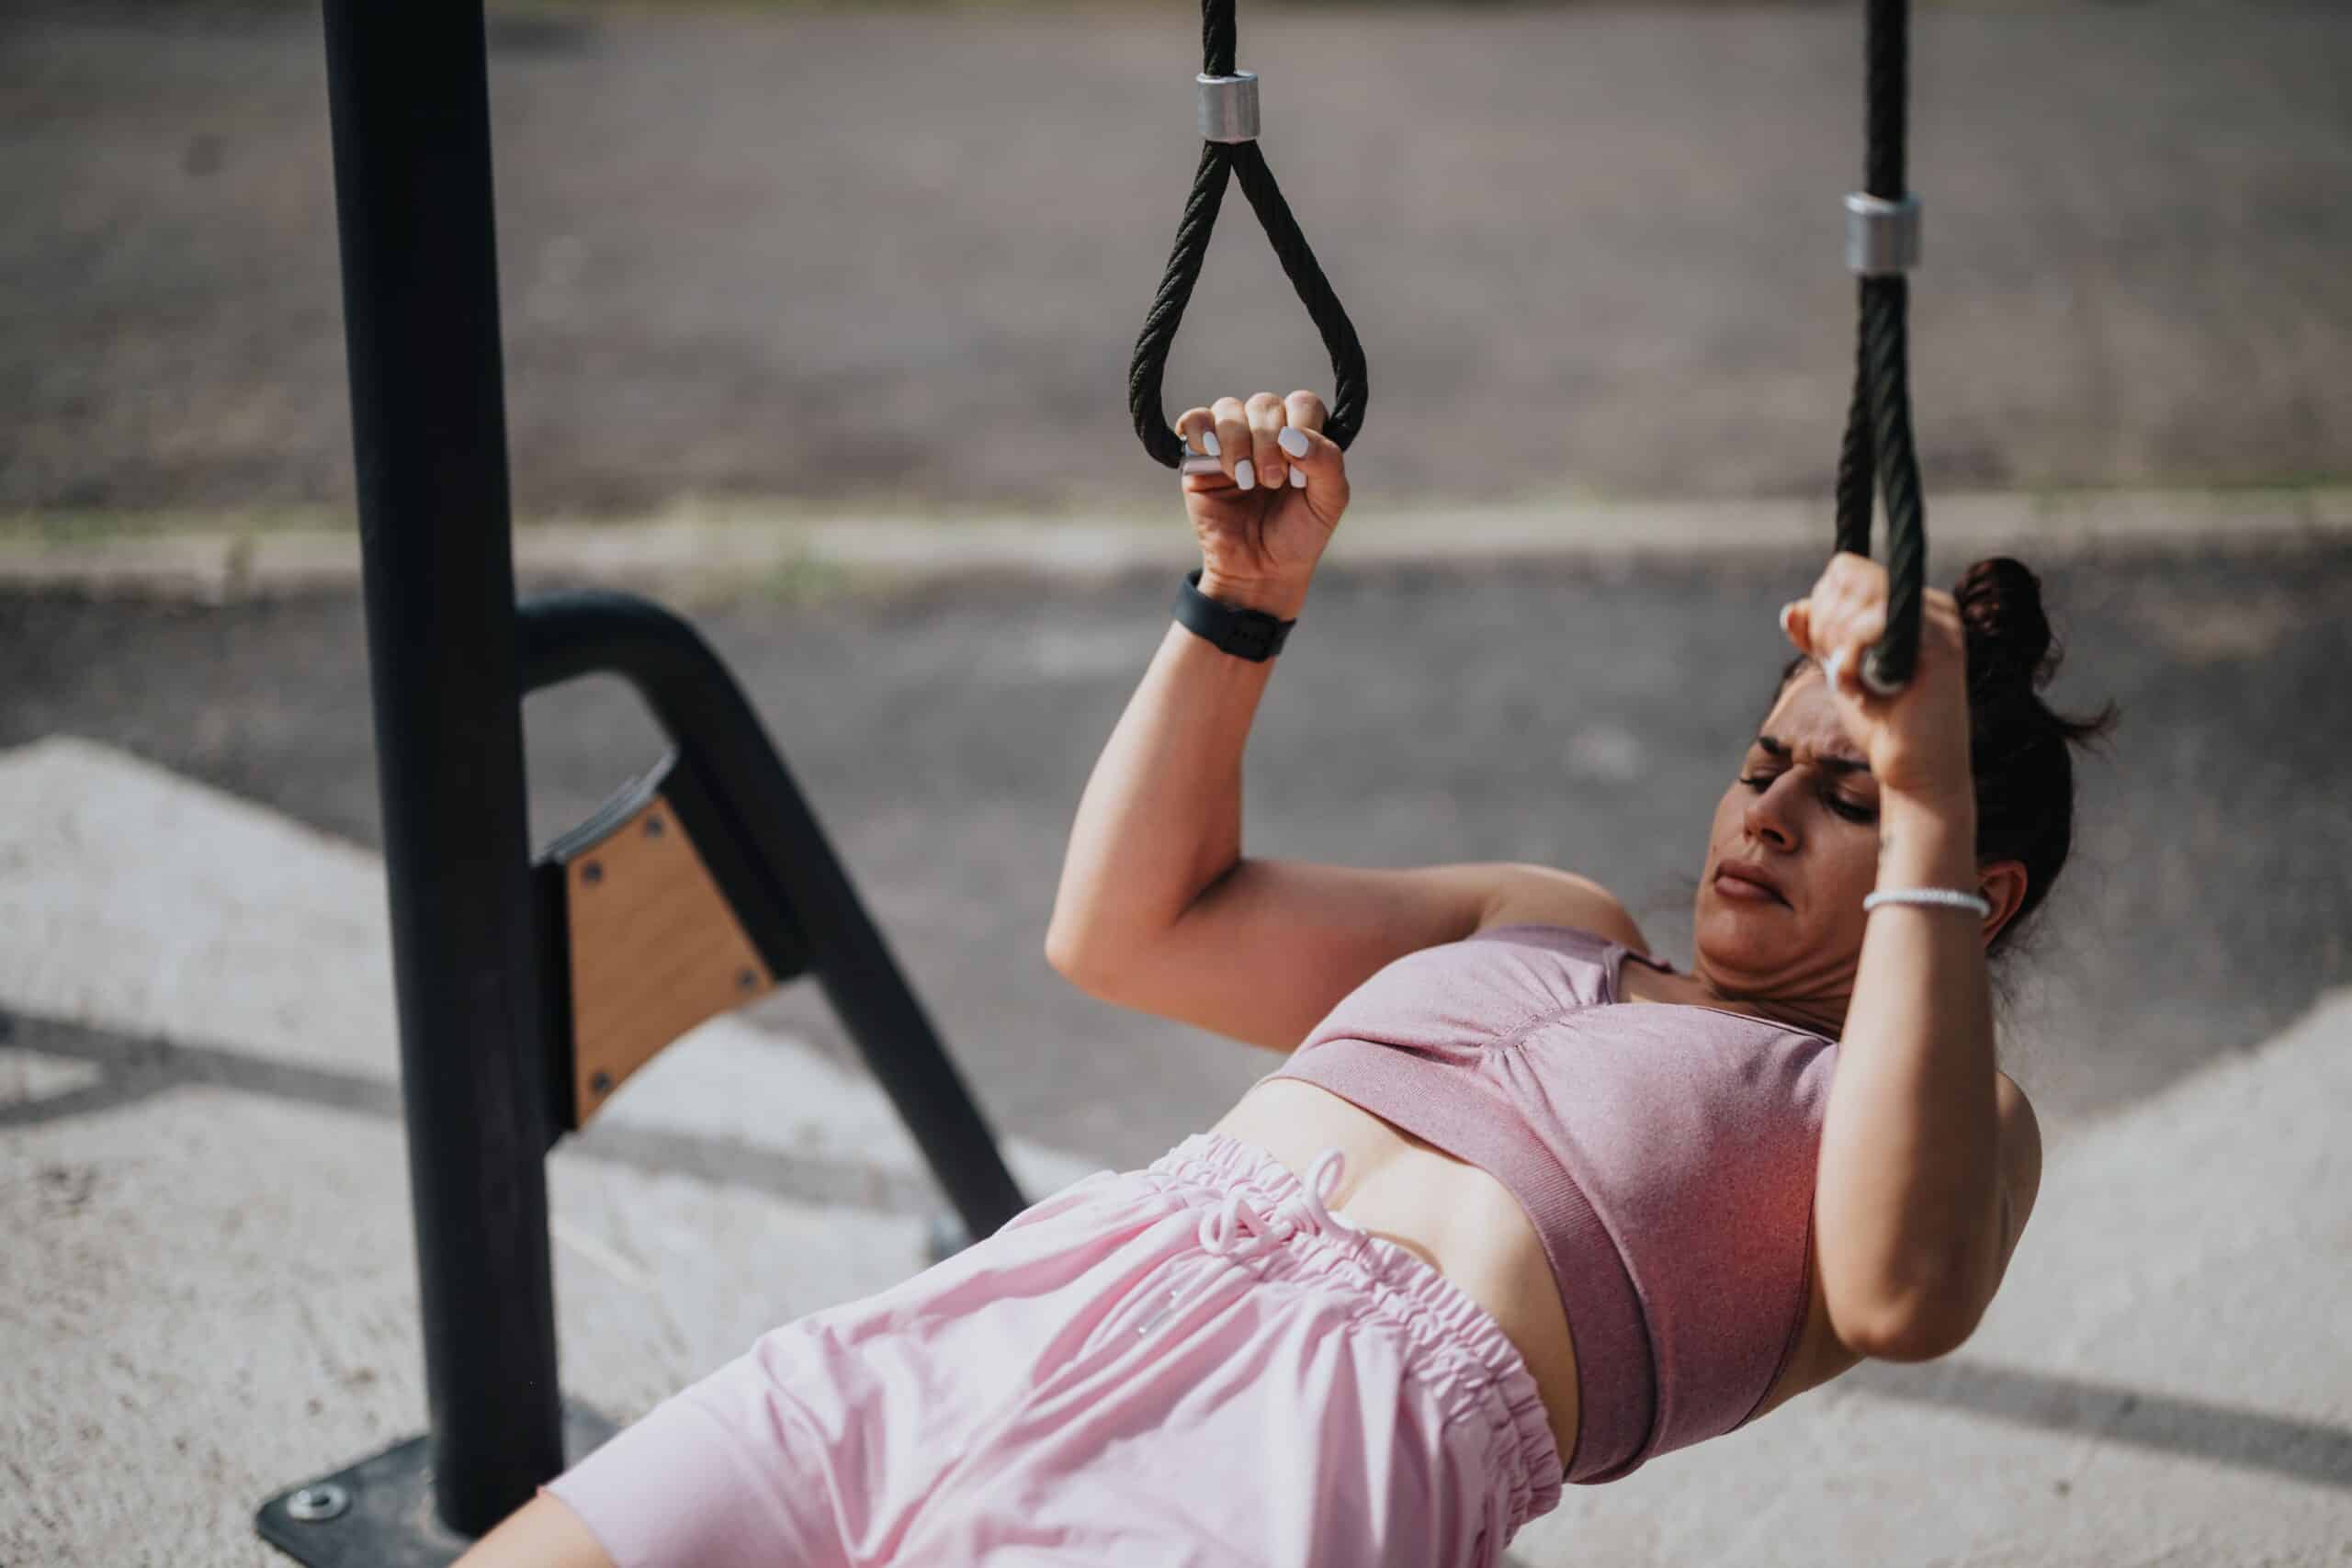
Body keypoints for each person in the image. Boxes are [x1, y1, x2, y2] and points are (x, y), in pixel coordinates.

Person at [457, 389, 2117, 1568]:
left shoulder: (1946, 1116)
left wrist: (1930, 790)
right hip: (1029, 1306)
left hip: (1298, 1450)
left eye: (1851, 797)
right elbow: (1126, 927)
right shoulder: (1544, 915)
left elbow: (1901, 1296)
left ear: (1972, 886)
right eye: (1765, 763)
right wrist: (1242, 604)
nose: (1766, 812)